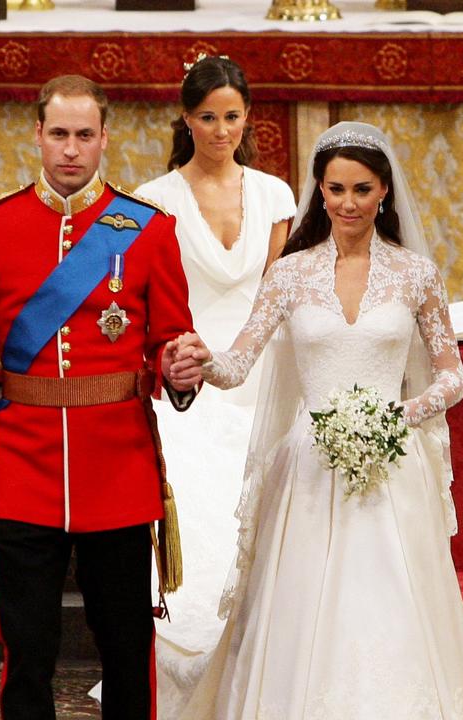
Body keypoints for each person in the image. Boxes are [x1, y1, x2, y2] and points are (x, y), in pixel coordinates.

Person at [173, 122, 463, 718]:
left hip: (390, 467)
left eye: (362, 190)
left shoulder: (415, 274)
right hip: (309, 471)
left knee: (391, 601)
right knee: (304, 604)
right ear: (319, 192)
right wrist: (201, 361)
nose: (348, 203)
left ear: (384, 193)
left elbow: (453, 375)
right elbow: (239, 363)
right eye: (336, 189)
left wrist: (397, 417)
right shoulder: (290, 273)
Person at [0, 74, 201, 720]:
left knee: (126, 647)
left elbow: (170, 341)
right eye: (59, 134)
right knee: (27, 650)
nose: (72, 150)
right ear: (37, 135)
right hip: (23, 470)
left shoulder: (145, 230)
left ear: (105, 138)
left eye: (85, 135)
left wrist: (180, 368)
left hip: (118, 467)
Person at [88, 55, 295, 716]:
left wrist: (252, 364)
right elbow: (139, 300)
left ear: (247, 118)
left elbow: (279, 295)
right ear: (186, 117)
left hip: (262, 367)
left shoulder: (275, 196)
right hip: (187, 374)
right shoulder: (154, 199)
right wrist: (184, 362)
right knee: (198, 480)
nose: (221, 129)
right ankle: (192, 658)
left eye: (232, 116)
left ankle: (276, 654)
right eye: (208, 117)